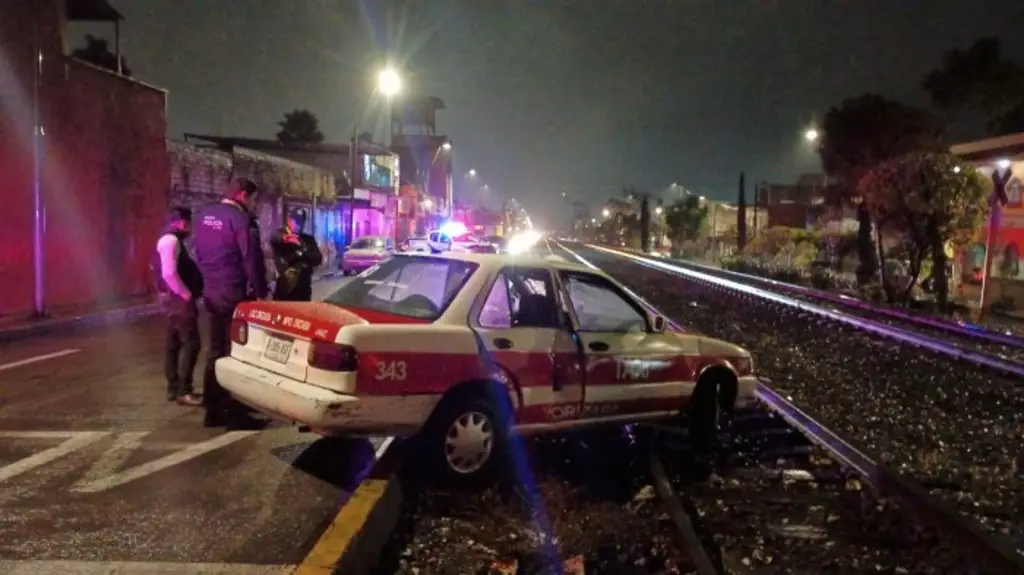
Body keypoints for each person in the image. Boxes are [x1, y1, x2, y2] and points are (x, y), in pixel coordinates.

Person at [193, 177, 269, 428]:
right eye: (253, 199)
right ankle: (234, 412)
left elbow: (199, 253)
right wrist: (260, 292)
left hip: (212, 291)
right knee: (236, 352)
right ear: (243, 195)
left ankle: (212, 410)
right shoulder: (240, 219)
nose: (254, 204)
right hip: (234, 292)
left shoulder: (205, 215)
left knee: (215, 350)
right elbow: (250, 258)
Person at [153, 207, 204, 407]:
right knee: (191, 344)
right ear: (181, 222)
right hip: (179, 301)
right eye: (188, 222)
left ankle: (174, 388)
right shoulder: (170, 241)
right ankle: (183, 390)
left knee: (174, 344)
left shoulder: (172, 240)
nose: (190, 227)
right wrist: (186, 294)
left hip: (174, 301)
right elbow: (168, 273)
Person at [271, 208, 323, 301]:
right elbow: (274, 237)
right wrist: (285, 237)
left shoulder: (308, 240)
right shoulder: (281, 238)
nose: (299, 225)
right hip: (286, 291)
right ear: (289, 220)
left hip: (304, 292)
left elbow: (317, 258)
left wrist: (302, 247)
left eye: (302, 221)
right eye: (296, 221)